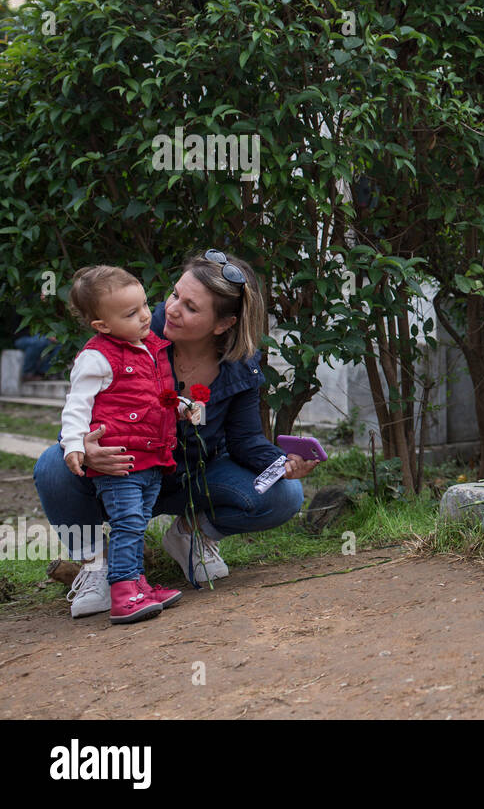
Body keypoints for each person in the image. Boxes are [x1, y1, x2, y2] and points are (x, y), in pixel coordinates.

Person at [34, 250, 318, 618]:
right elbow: (81, 404)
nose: (170, 309)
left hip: (191, 477)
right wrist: (84, 448)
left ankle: (189, 534)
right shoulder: (132, 331)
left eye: (191, 307)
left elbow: (245, 442)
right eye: (174, 295)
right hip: (122, 473)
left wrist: (283, 463)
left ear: (222, 325)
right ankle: (97, 566)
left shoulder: (239, 365)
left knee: (285, 493)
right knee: (52, 467)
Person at [60, 265, 191, 623]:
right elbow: (77, 404)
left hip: (151, 458)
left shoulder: (150, 346)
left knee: (137, 523)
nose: (146, 315)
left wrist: (179, 406)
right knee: (129, 522)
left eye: (145, 305)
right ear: (102, 326)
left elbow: (155, 395)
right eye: (131, 313)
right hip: (118, 461)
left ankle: (138, 585)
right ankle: (122, 592)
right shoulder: (97, 356)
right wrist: (74, 444)